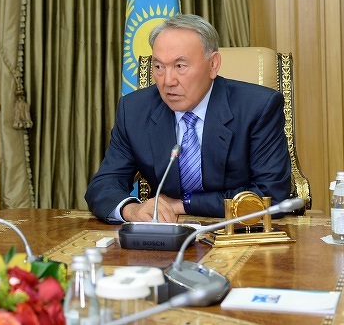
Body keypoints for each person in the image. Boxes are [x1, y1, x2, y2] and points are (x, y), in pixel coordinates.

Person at [85, 15, 291, 223]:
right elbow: (103, 185)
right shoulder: (135, 110)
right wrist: (132, 210)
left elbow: (270, 195)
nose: (168, 81)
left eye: (180, 66)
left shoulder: (257, 107)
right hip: (165, 232)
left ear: (213, 64)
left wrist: (183, 204)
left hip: (238, 231)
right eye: (159, 67)